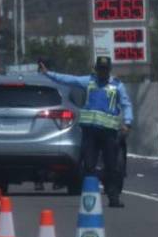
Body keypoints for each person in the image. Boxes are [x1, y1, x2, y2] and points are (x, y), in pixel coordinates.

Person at [39, 56, 133, 208]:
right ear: (96, 69)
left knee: (111, 166)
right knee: (89, 165)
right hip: (90, 131)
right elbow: (68, 79)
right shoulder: (88, 81)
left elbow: (126, 104)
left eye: (105, 69)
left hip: (109, 132)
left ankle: (113, 197)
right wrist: (48, 73)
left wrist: (128, 123)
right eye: (100, 69)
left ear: (109, 70)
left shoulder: (117, 86)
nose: (102, 72)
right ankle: (90, 199)